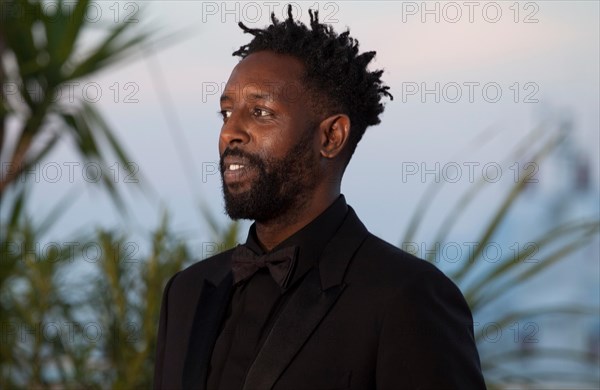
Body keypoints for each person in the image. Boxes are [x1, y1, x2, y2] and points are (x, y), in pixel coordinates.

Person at [154, 7, 486, 390]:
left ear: (331, 137)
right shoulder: (186, 292)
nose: (230, 132)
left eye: (260, 112)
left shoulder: (405, 298)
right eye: (226, 112)